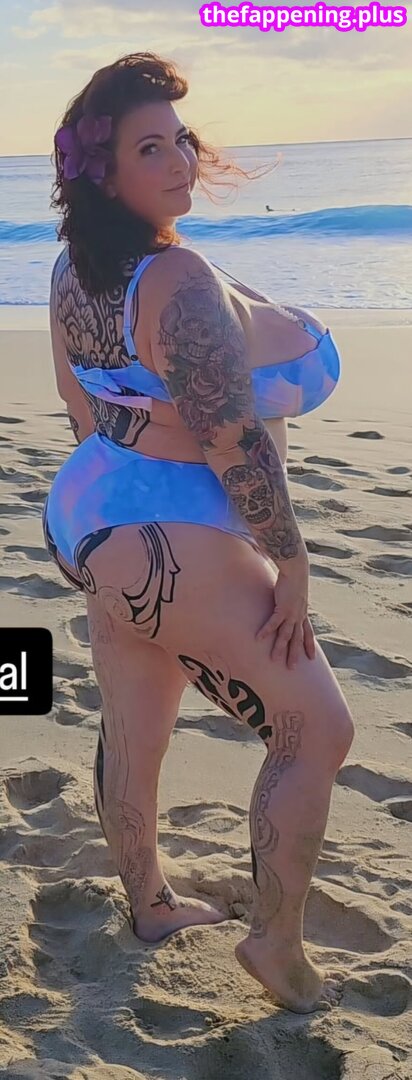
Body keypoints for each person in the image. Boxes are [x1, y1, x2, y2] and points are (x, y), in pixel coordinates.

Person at [42, 50, 354, 1014]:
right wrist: (290, 561)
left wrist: (133, 498)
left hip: (93, 515)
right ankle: (275, 943)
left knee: (134, 723)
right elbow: (234, 442)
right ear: (104, 171)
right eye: (149, 147)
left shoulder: (72, 270)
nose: (179, 159)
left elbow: (82, 409)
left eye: (180, 138)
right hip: (174, 531)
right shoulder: (175, 277)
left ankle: (150, 905)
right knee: (317, 728)